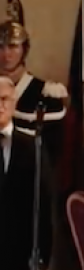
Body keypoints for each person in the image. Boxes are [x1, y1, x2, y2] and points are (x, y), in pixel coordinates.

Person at [0, 76, 52, 270]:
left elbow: (43, 204)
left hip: (20, 259)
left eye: (5, 99)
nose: (0, 105)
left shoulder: (33, 147)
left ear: (14, 102)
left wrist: (43, 257)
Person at [0, 19, 67, 165]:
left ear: (24, 49)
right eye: (1, 47)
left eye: (12, 46)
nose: (6, 54)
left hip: (29, 171)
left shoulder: (46, 94)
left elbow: (53, 153)